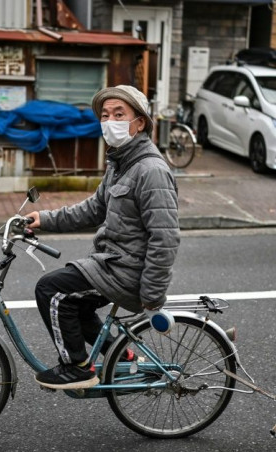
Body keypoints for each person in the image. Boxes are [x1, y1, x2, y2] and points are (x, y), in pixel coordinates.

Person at [25, 85, 180, 390]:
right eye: (105, 115)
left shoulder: (150, 170)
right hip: (110, 263)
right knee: (76, 303)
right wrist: (44, 219)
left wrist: (152, 295)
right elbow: (93, 209)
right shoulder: (121, 164)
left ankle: (78, 367)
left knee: (51, 290)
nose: (110, 121)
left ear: (140, 123)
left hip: (127, 273)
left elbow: (166, 238)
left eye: (119, 114)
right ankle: (122, 355)